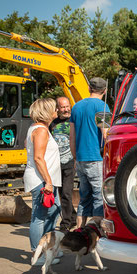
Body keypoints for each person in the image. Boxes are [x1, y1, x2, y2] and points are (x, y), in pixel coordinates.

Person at [23, 98, 62, 266]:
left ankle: (46, 248)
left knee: (53, 211)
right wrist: (48, 181)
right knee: (38, 217)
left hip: (45, 179)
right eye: (55, 108)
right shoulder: (40, 130)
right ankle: (36, 254)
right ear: (47, 112)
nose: (57, 111)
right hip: (41, 180)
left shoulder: (39, 128)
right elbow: (38, 158)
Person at [70, 77, 110, 228]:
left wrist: (75, 158)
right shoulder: (102, 106)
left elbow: (72, 136)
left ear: (88, 88)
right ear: (105, 91)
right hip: (96, 158)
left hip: (80, 158)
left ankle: (80, 231)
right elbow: (105, 134)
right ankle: (96, 233)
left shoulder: (76, 107)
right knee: (99, 197)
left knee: (84, 198)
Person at [49, 96, 77, 231]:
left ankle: (65, 224)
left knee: (66, 193)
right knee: (61, 194)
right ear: (58, 109)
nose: (66, 109)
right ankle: (72, 217)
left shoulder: (74, 120)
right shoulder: (53, 123)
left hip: (71, 162)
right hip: (56, 163)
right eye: (63, 107)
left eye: (67, 106)